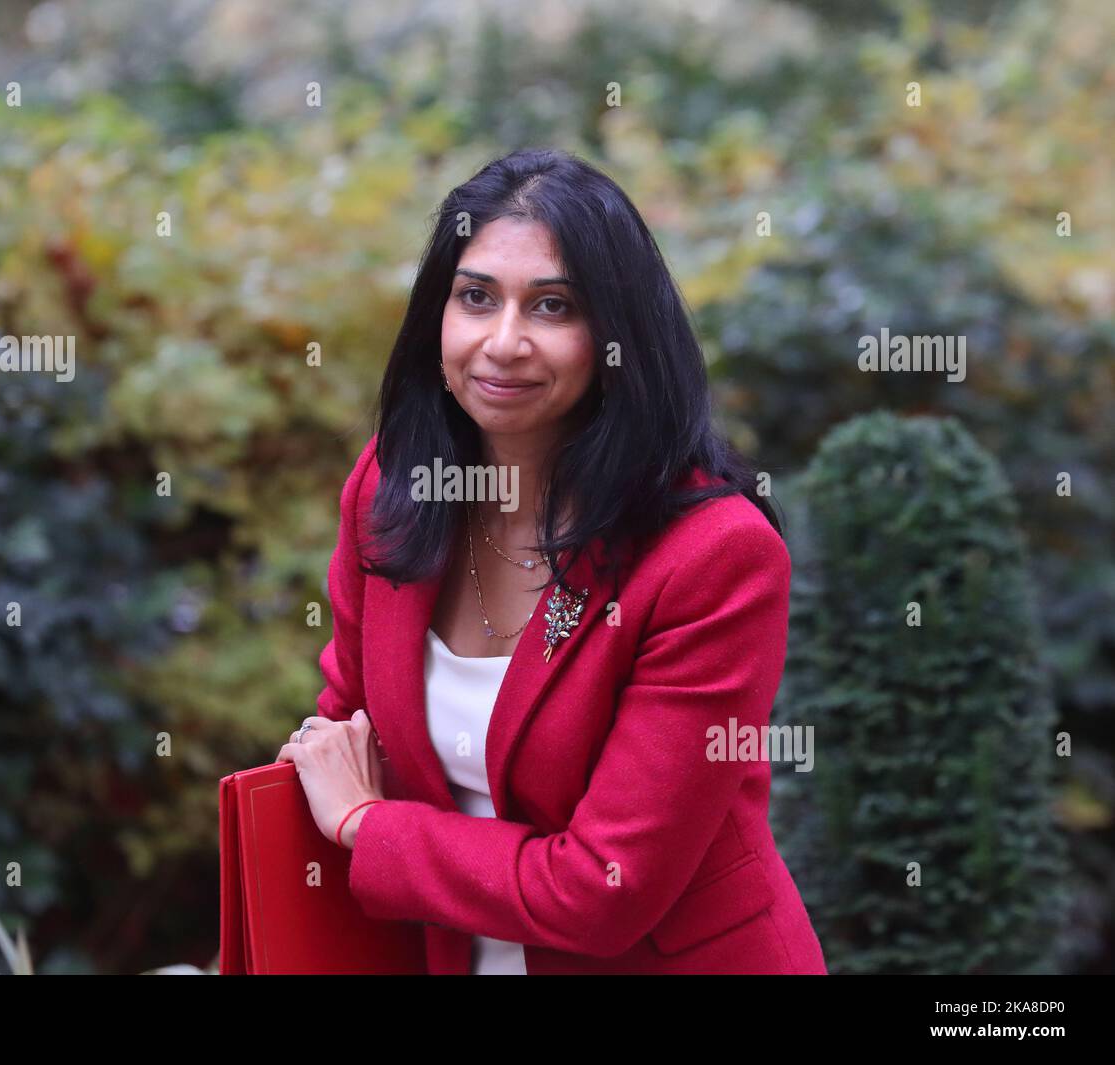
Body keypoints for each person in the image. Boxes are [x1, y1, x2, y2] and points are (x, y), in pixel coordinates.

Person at [277, 147, 828, 975]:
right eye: (475, 298)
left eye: (554, 306)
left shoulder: (714, 559)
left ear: (618, 337)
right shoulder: (394, 488)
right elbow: (343, 740)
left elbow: (603, 887)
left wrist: (366, 827)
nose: (504, 342)